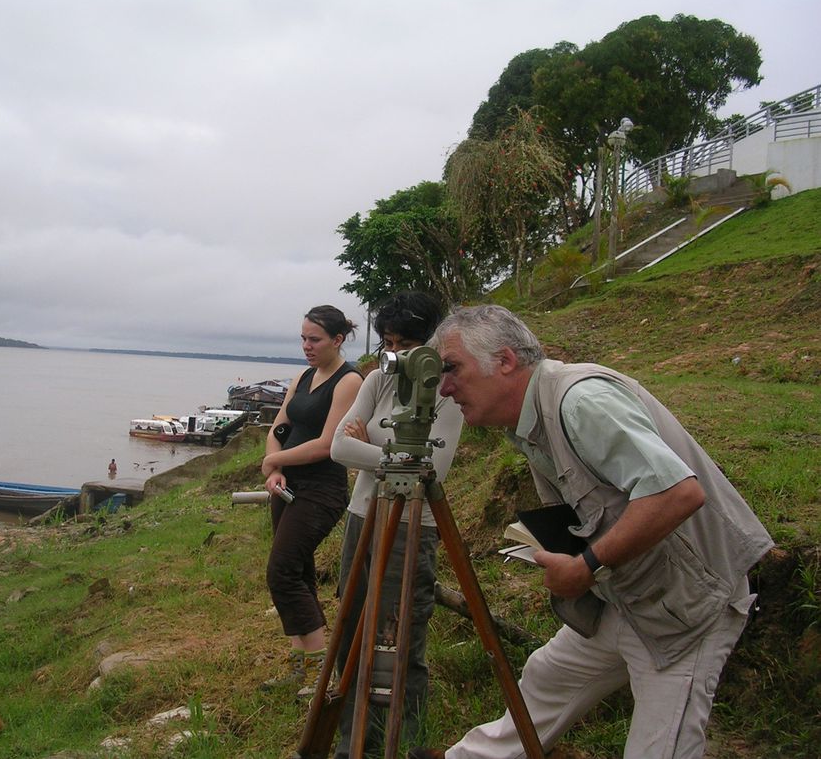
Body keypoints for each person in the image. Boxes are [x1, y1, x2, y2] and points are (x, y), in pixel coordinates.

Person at [408, 305, 773, 759]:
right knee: (546, 680)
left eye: (452, 369)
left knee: (662, 748)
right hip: (627, 596)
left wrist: (586, 565)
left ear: (504, 361)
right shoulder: (528, 418)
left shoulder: (580, 402)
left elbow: (678, 494)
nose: (444, 387)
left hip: (689, 607)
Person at [330, 291, 463, 758]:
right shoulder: (377, 380)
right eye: (389, 343)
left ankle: (402, 741)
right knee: (352, 629)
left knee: (398, 635)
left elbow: (432, 473)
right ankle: (354, 743)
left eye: (405, 343)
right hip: (363, 517)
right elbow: (338, 449)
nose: (396, 354)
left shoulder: (444, 392)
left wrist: (371, 451)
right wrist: (395, 457)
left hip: (410, 525)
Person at [261, 304, 364, 694]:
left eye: (314, 339)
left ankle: (322, 670)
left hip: (322, 490)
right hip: (286, 486)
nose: (306, 345)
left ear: (337, 340)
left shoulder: (348, 380)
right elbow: (280, 427)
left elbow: (327, 445)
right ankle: (300, 665)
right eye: (303, 337)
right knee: (298, 573)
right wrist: (275, 469)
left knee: (281, 571)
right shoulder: (303, 376)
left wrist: (272, 460)